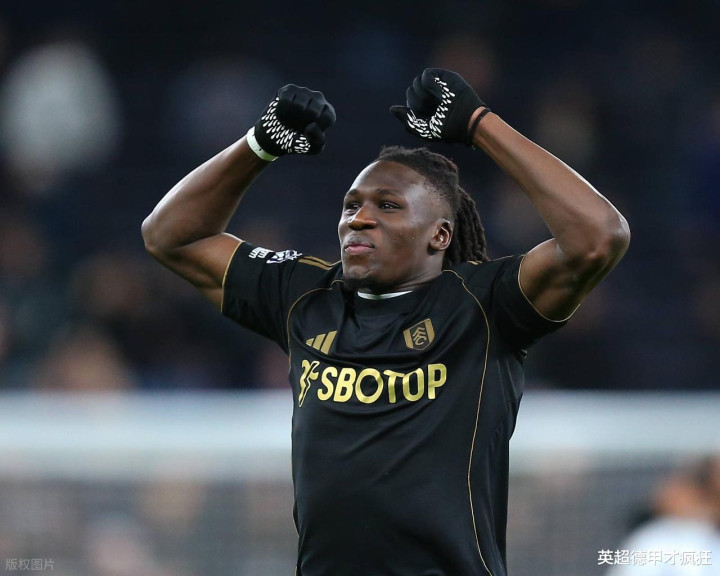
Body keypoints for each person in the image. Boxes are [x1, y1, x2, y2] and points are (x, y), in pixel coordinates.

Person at [142, 68, 630, 576]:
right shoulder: (305, 295)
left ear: (440, 236)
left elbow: (599, 236)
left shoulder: (484, 305)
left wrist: (479, 124)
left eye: (388, 206)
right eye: (351, 206)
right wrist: (258, 145)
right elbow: (170, 235)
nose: (359, 218)